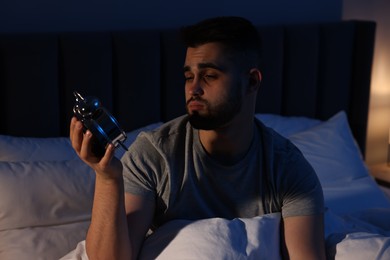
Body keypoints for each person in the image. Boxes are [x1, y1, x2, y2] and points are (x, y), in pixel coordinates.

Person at [70, 16, 326, 260]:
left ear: (251, 81)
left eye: (209, 76)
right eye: (188, 76)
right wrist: (107, 179)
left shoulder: (288, 169)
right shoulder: (154, 154)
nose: (193, 89)